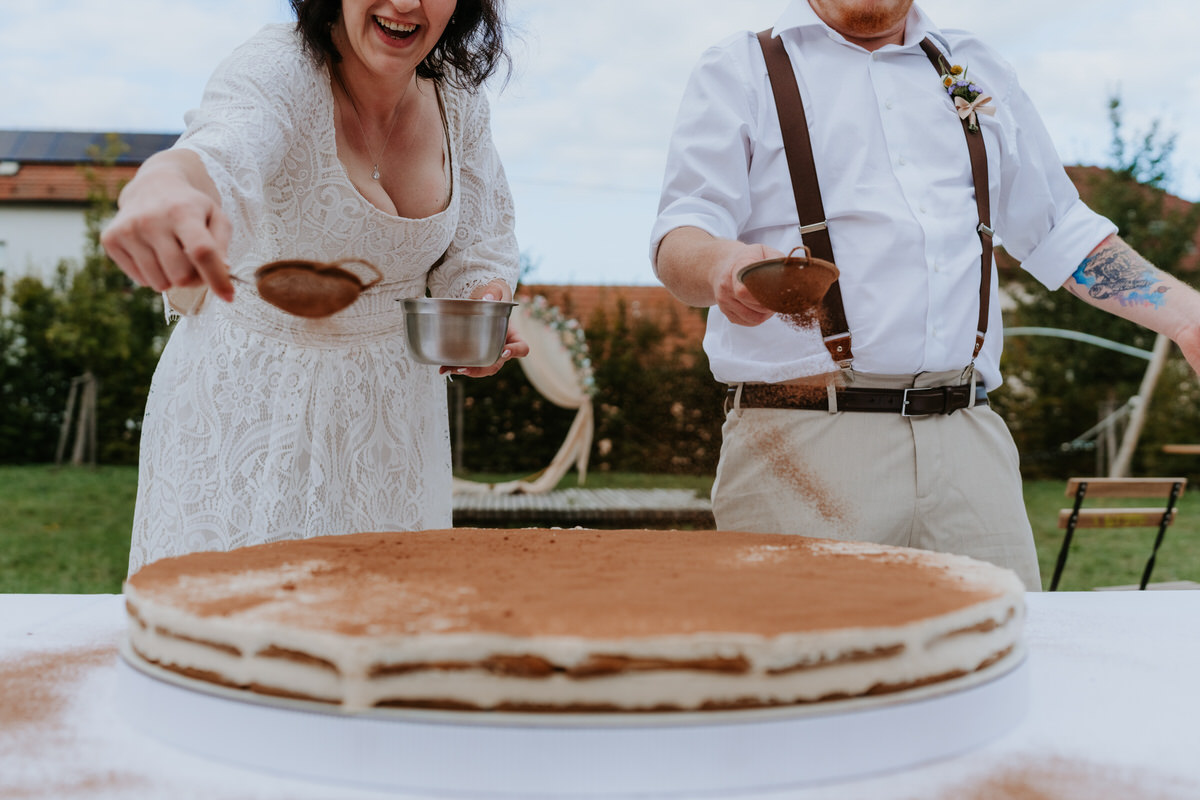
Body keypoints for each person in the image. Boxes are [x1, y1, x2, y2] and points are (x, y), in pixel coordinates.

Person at [649, 0, 1200, 590]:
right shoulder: (742, 67)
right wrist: (724, 264)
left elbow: (1059, 230)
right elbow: (680, 232)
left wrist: (1188, 317)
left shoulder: (973, 65)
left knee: (1003, 660)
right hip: (802, 440)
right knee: (812, 672)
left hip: (969, 441)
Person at [101, 0, 528, 573]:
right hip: (256, 410)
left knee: (384, 625)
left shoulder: (458, 97)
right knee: (239, 627)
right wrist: (163, 184)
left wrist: (484, 304)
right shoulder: (280, 65)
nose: (405, 4)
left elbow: (477, 247)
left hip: (394, 425)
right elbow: (219, 153)